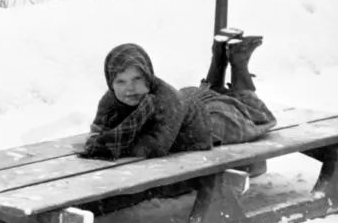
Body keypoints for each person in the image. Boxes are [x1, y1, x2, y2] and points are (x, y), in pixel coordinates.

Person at [78, 31, 277, 172]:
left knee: (255, 116)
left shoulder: (164, 99)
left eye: (137, 79)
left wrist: (112, 145)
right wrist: (102, 140)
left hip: (210, 122)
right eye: (121, 81)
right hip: (187, 101)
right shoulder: (111, 99)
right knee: (212, 93)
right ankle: (219, 55)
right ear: (110, 82)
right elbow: (97, 130)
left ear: (148, 76)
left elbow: (155, 146)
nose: (129, 88)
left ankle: (238, 60)